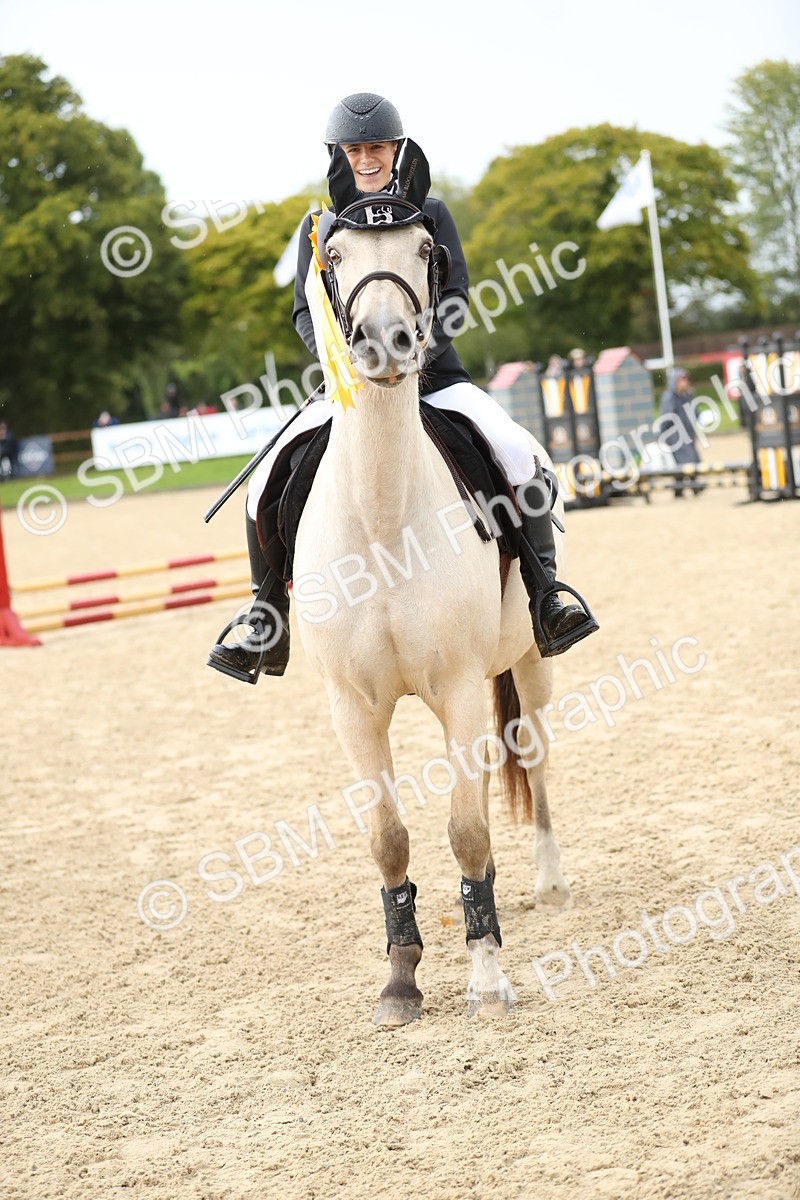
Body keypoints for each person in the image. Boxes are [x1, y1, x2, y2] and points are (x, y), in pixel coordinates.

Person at [208, 93, 598, 684]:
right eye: (355, 150)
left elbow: (456, 296)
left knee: (518, 453)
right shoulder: (319, 228)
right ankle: (267, 618)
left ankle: (546, 593)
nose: (367, 159)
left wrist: (416, 356)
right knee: (265, 478)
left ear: (396, 150)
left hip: (435, 378)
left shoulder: (431, 213)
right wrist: (341, 364)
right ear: (340, 155)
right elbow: (305, 312)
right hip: (350, 385)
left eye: (377, 148)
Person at [659, 368, 703, 497]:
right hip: (675, 436)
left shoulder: (688, 395)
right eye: (682, 380)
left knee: (689, 460)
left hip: (688, 434)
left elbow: (695, 412)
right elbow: (666, 418)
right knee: (687, 459)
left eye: (687, 380)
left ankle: (681, 488)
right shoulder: (669, 397)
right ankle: (691, 486)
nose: (686, 383)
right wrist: (663, 435)